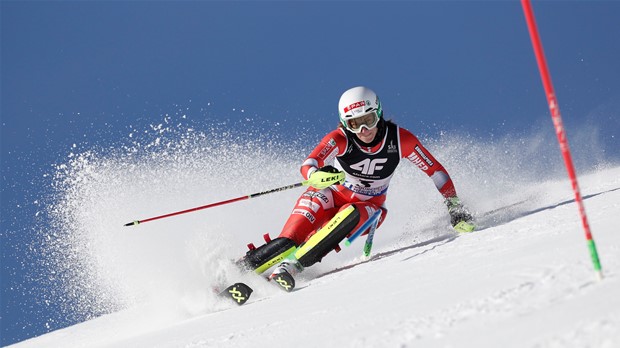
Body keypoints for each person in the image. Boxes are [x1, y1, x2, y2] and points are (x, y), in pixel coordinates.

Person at [238, 86, 474, 291]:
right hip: (330, 194)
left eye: (368, 120)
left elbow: (436, 171)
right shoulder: (340, 139)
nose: (363, 131)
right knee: (288, 241)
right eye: (355, 124)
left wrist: (454, 206)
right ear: (344, 124)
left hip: (368, 207)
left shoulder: (400, 140)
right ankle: (235, 271)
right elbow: (309, 164)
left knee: (350, 215)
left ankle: (290, 267)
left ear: (378, 113)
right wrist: (316, 175)